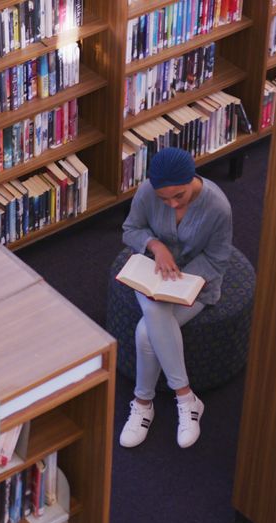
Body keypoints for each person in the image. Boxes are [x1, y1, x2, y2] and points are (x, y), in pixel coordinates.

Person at [119, 147, 233, 449]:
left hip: (197, 284)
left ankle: (144, 403)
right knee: (155, 308)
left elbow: (219, 259)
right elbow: (130, 230)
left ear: (192, 179)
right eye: (163, 199)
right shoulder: (146, 192)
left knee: (146, 331)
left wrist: (182, 279)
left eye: (178, 196)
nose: (170, 203)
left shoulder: (218, 207)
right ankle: (186, 399)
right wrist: (155, 246)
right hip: (150, 275)